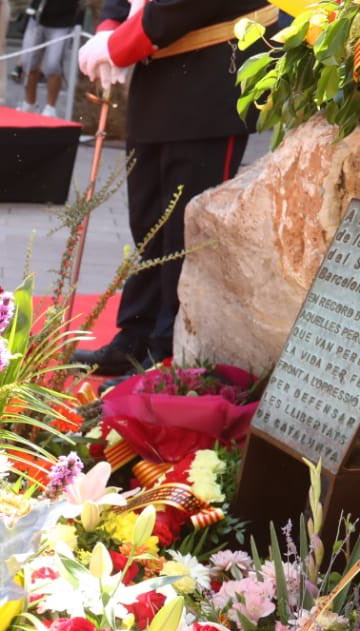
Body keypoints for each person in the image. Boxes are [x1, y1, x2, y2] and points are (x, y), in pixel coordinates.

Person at [74, 0, 263, 373]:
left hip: (210, 80)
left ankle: (169, 353)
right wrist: (110, 25)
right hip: (156, 73)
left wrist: (117, 45)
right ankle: (136, 334)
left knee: (186, 235)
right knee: (148, 225)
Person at [21, 0, 77, 114]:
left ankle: (50, 108)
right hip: (37, 16)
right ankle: (29, 103)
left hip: (62, 20)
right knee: (28, 62)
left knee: (53, 65)